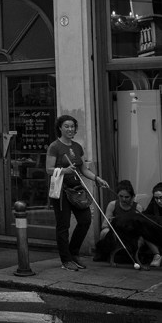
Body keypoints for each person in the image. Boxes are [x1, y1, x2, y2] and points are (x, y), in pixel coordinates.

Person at [47, 114, 109, 271]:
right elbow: (48, 169)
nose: (70, 129)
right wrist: (64, 170)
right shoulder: (54, 146)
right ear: (60, 128)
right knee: (63, 225)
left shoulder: (78, 147)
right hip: (61, 190)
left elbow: (84, 170)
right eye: (66, 126)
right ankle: (65, 259)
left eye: (72, 126)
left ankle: (73, 252)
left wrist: (97, 179)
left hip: (77, 190)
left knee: (85, 220)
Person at [94, 180, 142, 262]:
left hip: (131, 233)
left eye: (127, 197)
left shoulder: (138, 207)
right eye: (121, 196)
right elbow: (104, 225)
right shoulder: (112, 205)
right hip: (116, 232)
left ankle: (136, 256)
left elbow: (140, 227)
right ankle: (102, 254)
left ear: (132, 196)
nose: (123, 199)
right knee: (104, 232)